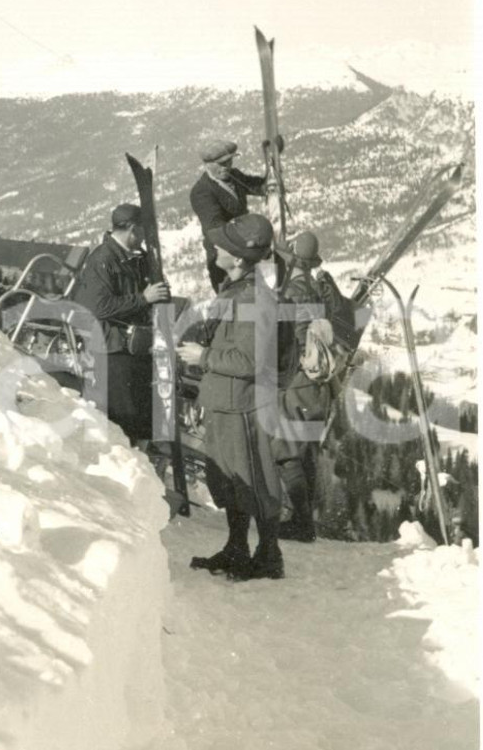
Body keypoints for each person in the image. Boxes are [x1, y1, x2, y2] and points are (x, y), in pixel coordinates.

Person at [186, 213, 294, 581]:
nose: (215, 247)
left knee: (255, 479)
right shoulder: (236, 290)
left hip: (242, 405)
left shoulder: (254, 298)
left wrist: (203, 357)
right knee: (228, 480)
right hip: (225, 401)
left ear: (238, 258)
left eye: (224, 246)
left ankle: (268, 555)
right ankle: (236, 547)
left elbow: (250, 360)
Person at [72, 203, 170, 443]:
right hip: (113, 351)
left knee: (142, 415)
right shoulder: (103, 260)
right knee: (124, 419)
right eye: (144, 231)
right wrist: (143, 298)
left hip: (135, 348)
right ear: (133, 229)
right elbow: (98, 307)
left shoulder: (136, 259)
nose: (147, 237)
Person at [274, 230, 335, 543]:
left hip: (297, 380)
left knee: (287, 451)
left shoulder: (294, 291)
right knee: (305, 451)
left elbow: (293, 336)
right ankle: (304, 519)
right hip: (315, 384)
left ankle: (300, 524)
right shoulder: (313, 288)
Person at [189, 139, 279, 293]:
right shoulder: (202, 192)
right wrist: (253, 245)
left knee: (254, 295)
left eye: (229, 161)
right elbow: (216, 230)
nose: (227, 167)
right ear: (207, 165)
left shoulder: (233, 175)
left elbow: (255, 186)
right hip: (224, 259)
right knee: (232, 302)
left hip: (244, 255)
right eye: (221, 163)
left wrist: (269, 182)